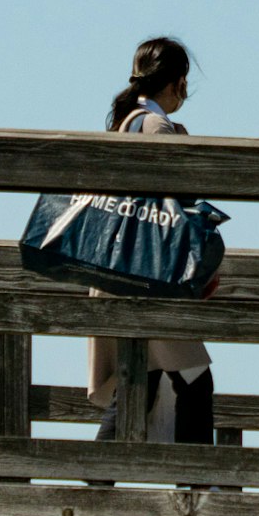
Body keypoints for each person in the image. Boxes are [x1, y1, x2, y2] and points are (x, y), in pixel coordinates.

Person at [95, 35, 217, 445]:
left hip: (118, 273)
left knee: (137, 386)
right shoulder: (156, 126)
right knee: (195, 383)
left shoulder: (123, 124)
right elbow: (178, 209)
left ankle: (94, 483)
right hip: (151, 278)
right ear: (178, 80)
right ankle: (196, 485)